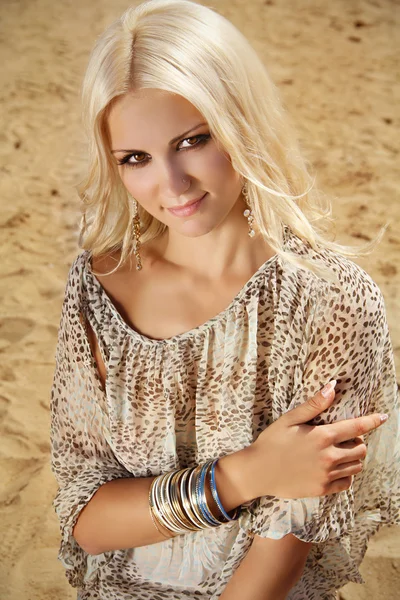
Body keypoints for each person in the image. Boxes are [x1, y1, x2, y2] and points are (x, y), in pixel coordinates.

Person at [50, 1, 400, 599]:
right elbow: (86, 519)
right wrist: (243, 476)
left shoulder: (333, 300)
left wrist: (160, 503)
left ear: (241, 122)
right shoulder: (96, 288)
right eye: (135, 159)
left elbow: (292, 533)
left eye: (191, 141)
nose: (172, 185)